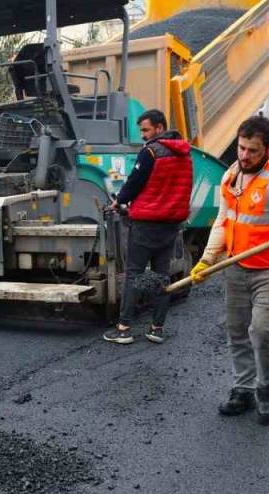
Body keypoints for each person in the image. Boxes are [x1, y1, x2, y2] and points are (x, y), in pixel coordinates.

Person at [190, 116, 269, 425]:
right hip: (236, 266)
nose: (244, 156)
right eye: (241, 147)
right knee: (237, 331)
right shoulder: (231, 176)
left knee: (263, 330)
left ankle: (266, 389)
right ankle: (243, 389)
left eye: (253, 151)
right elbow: (224, 221)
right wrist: (207, 260)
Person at [102, 109, 193, 345]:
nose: (143, 135)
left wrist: (119, 201)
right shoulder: (185, 153)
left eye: (146, 130)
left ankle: (124, 329)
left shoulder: (151, 151)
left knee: (134, 273)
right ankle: (157, 328)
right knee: (162, 275)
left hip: (146, 223)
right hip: (171, 223)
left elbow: (134, 182)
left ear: (160, 128)